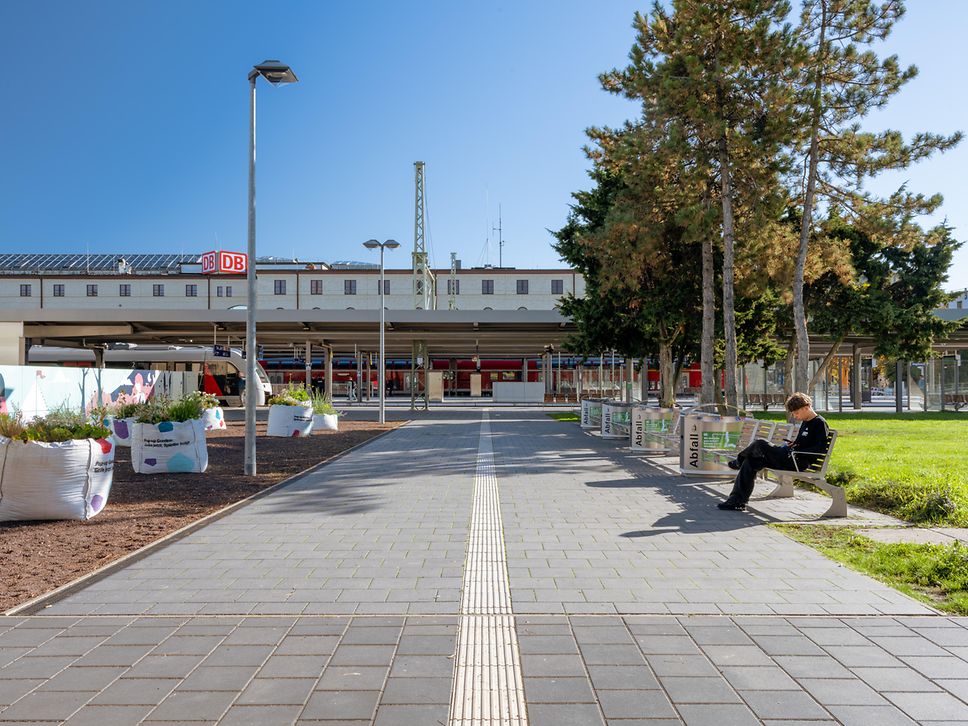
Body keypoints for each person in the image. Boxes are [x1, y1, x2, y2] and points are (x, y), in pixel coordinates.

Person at [717, 392, 829, 511]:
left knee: (760, 443)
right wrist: (794, 444)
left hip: (797, 462)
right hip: (789, 456)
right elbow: (804, 442)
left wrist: (797, 450)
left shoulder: (819, 423)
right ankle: (736, 501)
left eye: (796, 412)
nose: (795, 416)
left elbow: (820, 449)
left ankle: (738, 461)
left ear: (806, 407)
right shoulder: (806, 421)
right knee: (750, 462)